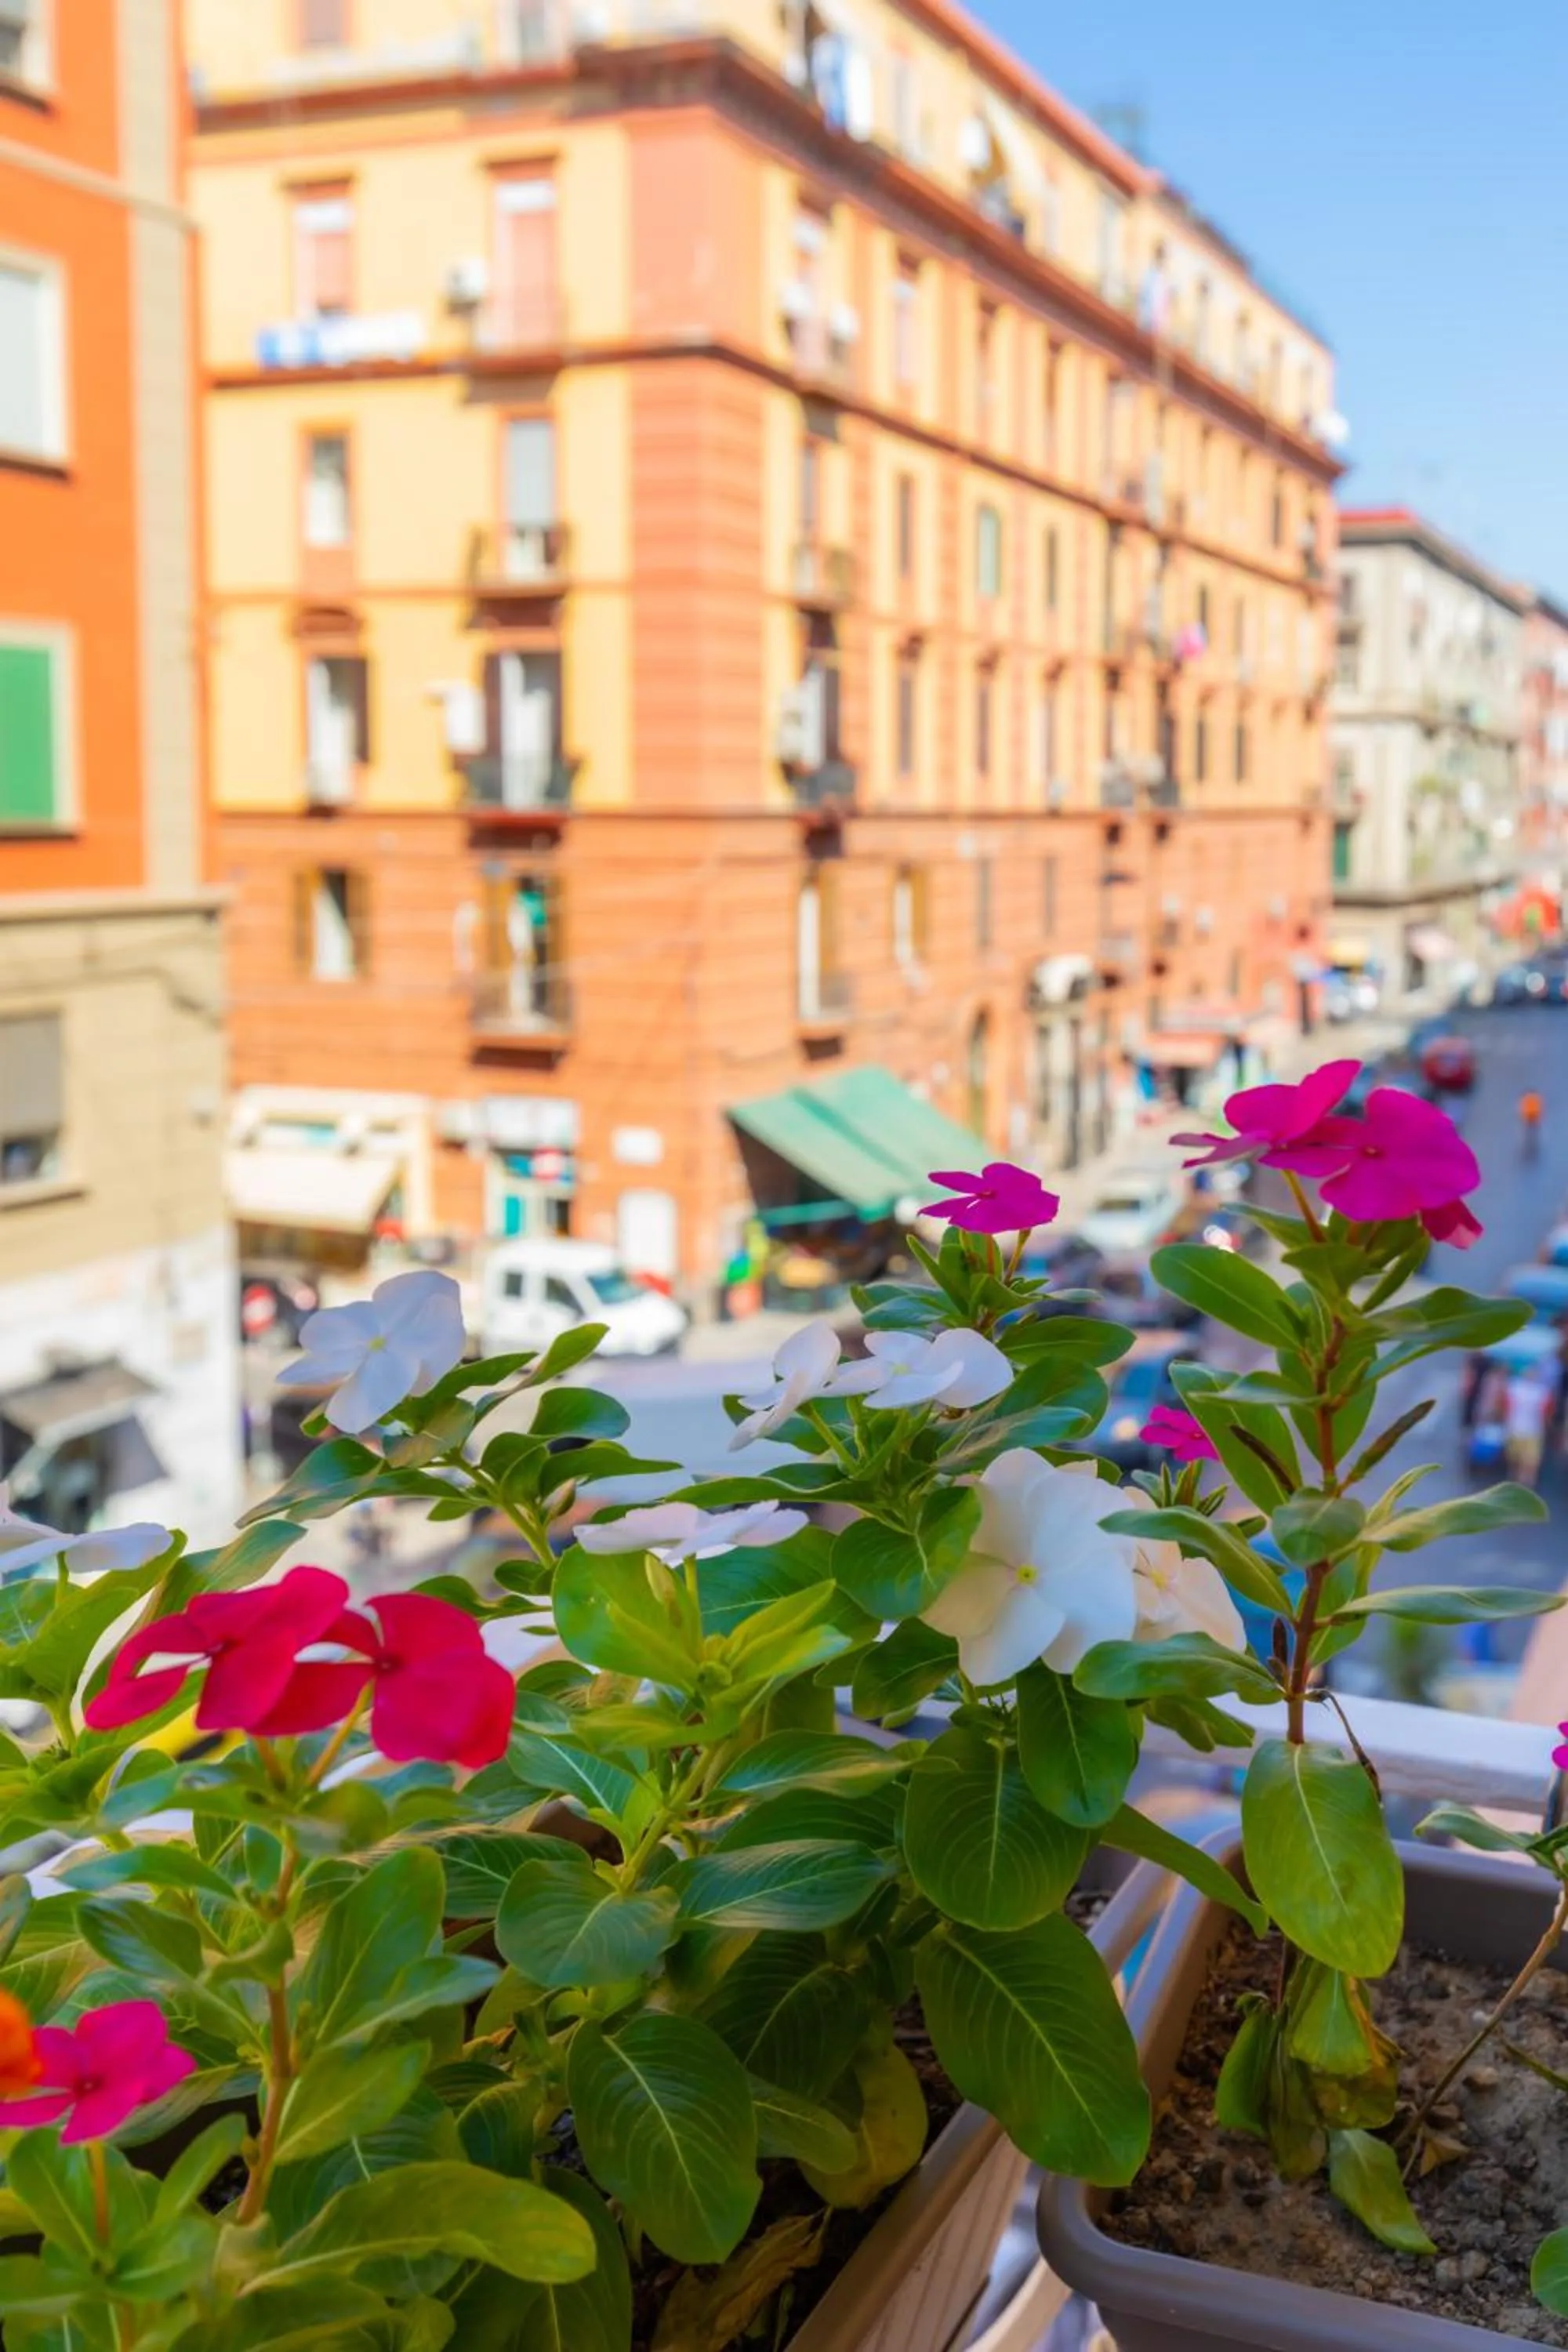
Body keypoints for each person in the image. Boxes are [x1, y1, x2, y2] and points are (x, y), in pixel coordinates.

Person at [1504, 1365, 1552, 1489]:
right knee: (1516, 1458)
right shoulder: (1515, 1387)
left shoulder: (1541, 1391)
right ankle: (1517, 1481)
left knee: (1531, 1461)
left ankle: (1527, 1483)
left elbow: (1547, 1411)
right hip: (1516, 1428)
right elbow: (1507, 1405)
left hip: (1533, 1430)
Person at [1522, 1088, 1544, 1152]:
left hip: (1530, 1119)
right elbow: (1539, 1109)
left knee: (1530, 1134)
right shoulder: (1536, 1099)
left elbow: (1524, 1109)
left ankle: (1530, 1146)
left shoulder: (1527, 1099)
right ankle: (1532, 1146)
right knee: (1532, 1134)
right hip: (1532, 1119)